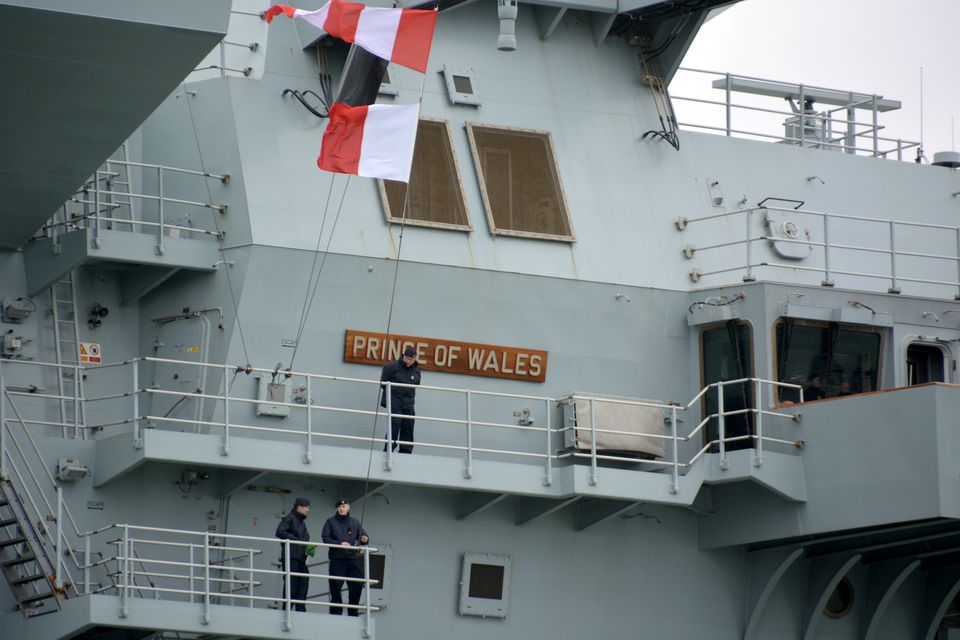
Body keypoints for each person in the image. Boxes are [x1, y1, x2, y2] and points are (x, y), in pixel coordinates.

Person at [321, 498, 370, 616]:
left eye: (344, 506)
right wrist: (339, 544)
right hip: (337, 559)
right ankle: (336, 611)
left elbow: (363, 535)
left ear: (348, 507)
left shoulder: (355, 522)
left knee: (357, 583)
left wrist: (365, 539)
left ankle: (353, 611)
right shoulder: (330, 522)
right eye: (339, 507)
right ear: (337, 508)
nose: (342, 509)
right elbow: (325, 538)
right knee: (336, 586)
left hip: (351, 559)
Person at [380, 345, 421, 453]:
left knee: (408, 427)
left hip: (409, 403)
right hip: (395, 402)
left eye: (411, 359)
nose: (409, 361)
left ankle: (406, 452)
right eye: (407, 358)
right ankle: (388, 450)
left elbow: (416, 384)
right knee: (394, 427)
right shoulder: (391, 367)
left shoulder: (417, 370)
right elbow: (383, 384)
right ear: (403, 356)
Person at [275, 497, 311, 611]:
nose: (308, 510)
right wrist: (295, 539)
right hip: (291, 557)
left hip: (301, 558)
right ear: (299, 507)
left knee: (303, 581)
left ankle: (300, 609)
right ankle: (288, 610)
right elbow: (280, 532)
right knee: (291, 583)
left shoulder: (301, 522)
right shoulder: (289, 519)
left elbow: (305, 538)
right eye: (306, 507)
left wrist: (308, 548)